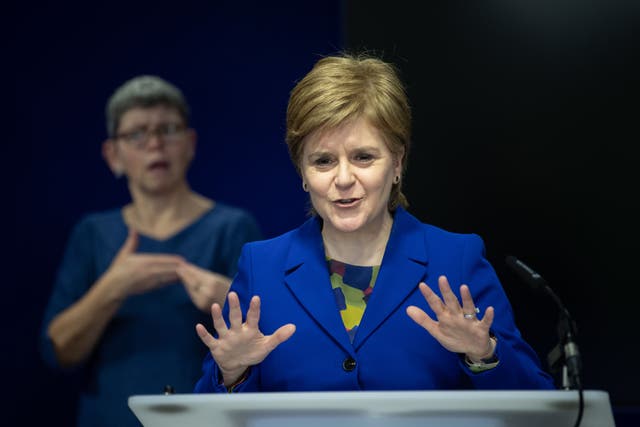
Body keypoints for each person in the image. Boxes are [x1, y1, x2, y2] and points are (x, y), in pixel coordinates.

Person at [193, 52, 556, 393]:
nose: (344, 178)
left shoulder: (456, 258)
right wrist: (231, 372)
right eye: (323, 161)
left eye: (363, 157)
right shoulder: (262, 266)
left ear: (397, 163)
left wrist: (484, 354)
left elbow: (538, 401)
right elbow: (206, 412)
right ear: (302, 173)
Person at [39, 75, 263, 426]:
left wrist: (227, 296)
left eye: (168, 129)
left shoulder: (232, 227)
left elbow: (273, 341)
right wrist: (112, 288)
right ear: (113, 155)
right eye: (137, 134)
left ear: (190, 143)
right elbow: (58, 352)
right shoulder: (93, 233)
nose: (155, 144)